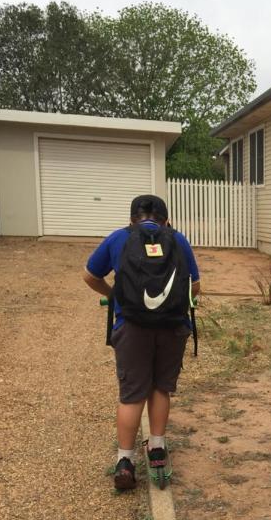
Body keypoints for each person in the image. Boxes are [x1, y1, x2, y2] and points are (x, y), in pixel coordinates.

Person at [83, 194, 200, 490]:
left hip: (132, 327)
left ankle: (125, 461)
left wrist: (115, 296)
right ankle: (157, 447)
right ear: (165, 220)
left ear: (132, 218)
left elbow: (89, 275)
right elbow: (195, 286)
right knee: (161, 386)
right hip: (172, 327)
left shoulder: (118, 238)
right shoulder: (179, 240)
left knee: (132, 393)